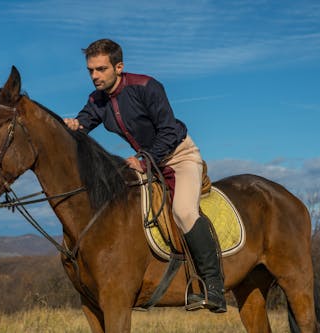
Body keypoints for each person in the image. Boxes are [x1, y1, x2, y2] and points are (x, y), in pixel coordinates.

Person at [64, 38, 226, 313]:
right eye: (90, 70)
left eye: (101, 69)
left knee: (185, 212)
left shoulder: (147, 86)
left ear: (119, 67)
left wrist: (143, 159)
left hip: (178, 156)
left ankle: (214, 286)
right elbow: (85, 121)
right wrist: (73, 125)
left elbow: (169, 132)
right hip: (147, 163)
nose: (94, 76)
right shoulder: (97, 100)